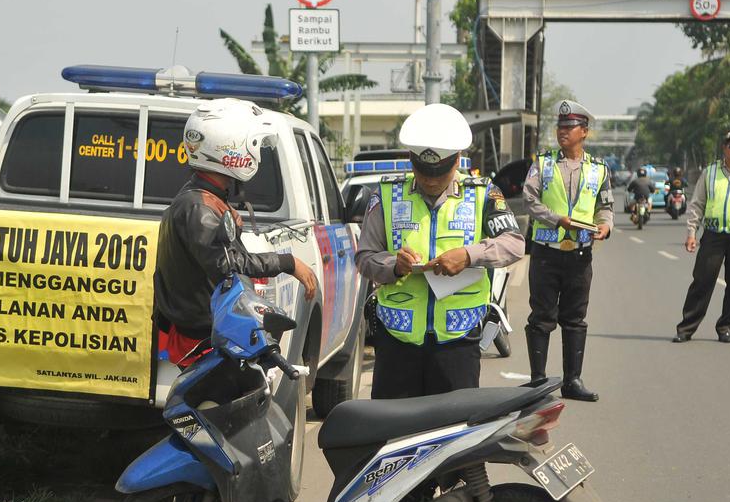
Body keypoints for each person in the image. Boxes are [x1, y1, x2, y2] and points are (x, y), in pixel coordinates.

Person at [356, 103, 524, 400]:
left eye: (440, 171)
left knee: (454, 425)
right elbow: (365, 257)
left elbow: (514, 243)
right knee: (393, 424)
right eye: (423, 171)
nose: (431, 180)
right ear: (410, 160)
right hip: (397, 339)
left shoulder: (482, 194)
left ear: (457, 160)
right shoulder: (386, 195)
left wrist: (469, 255)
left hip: (459, 339)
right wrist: (394, 265)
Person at [155, 98, 316, 366]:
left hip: (211, 328)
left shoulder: (204, 197)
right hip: (203, 337)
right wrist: (287, 263)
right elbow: (226, 263)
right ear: (230, 147)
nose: (256, 153)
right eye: (253, 145)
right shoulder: (198, 207)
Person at [522, 100, 613, 401]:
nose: (562, 131)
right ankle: (537, 381)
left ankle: (572, 381)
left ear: (584, 132)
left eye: (569, 127)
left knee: (575, 317)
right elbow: (529, 200)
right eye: (560, 127)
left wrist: (605, 226)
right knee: (541, 316)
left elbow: (605, 206)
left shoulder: (599, 169)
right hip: (546, 252)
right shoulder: (543, 163)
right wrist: (555, 219)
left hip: (580, 253)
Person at [673, 129, 730, 344]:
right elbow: (697, 204)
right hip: (714, 234)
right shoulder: (710, 172)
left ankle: (726, 327)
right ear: (724, 148)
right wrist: (691, 232)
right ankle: (686, 328)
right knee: (702, 280)